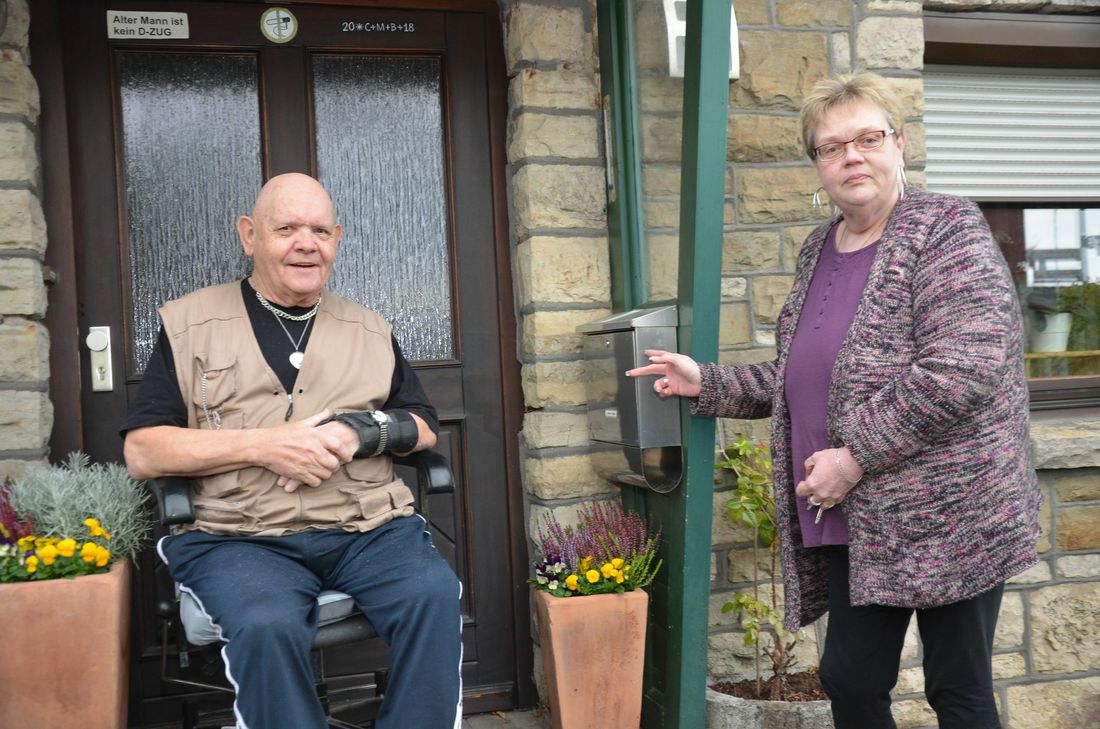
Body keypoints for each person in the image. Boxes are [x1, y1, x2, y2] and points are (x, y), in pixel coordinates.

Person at [627, 73, 1041, 729]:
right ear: (817, 165)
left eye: (868, 138)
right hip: (859, 519)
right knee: (850, 679)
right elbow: (806, 377)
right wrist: (707, 381)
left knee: (956, 689)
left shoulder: (944, 227)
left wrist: (851, 457)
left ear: (899, 144)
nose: (851, 156)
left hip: (953, 510)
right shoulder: (819, 247)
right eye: (831, 146)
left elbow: (966, 365)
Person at [122, 173, 462, 729]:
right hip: (238, 537)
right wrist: (266, 445)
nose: (307, 242)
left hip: (366, 529)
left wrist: (360, 433)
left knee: (432, 593)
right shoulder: (188, 324)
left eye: (320, 230)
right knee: (265, 621)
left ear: (337, 239)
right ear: (249, 235)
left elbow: (423, 426)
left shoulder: (370, 330)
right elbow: (144, 451)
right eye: (287, 228)